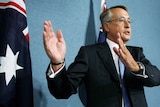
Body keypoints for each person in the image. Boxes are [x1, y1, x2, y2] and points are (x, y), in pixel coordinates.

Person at [43, 5, 160, 107]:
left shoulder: (136, 53)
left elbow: (156, 78)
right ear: (107, 26)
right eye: (121, 20)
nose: (127, 25)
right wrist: (57, 62)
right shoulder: (89, 54)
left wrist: (135, 67)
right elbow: (63, 91)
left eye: (129, 21)